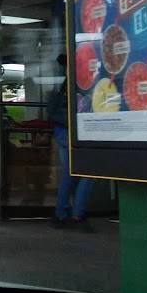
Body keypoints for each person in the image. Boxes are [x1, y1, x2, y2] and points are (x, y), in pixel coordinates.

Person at [49, 54, 94, 231]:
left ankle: (61, 213)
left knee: (69, 173)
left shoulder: (63, 82)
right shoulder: (80, 82)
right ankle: (77, 213)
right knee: (89, 173)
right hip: (74, 132)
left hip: (61, 131)